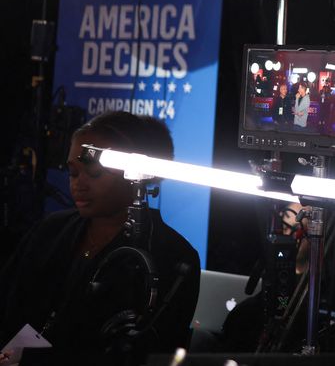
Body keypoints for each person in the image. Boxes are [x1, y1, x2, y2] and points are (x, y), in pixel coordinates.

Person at [0, 111, 200, 364]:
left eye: (93, 173)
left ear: (135, 174)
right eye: (73, 173)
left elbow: (156, 350)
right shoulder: (49, 231)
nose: (78, 184)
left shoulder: (172, 256)